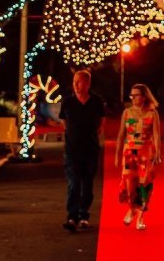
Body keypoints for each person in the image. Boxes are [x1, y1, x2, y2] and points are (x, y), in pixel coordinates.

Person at [59, 70, 105, 232]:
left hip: (91, 149)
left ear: (88, 83)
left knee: (87, 184)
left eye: (79, 82)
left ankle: (84, 215)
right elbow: (64, 123)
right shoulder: (67, 102)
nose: (76, 85)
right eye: (74, 82)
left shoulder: (96, 102)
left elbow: (101, 123)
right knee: (74, 183)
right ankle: (72, 217)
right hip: (72, 150)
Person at [115, 83, 162, 231]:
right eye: (132, 95)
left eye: (136, 95)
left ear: (144, 97)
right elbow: (121, 135)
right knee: (129, 184)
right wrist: (117, 155)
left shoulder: (152, 113)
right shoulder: (127, 113)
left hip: (146, 151)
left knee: (144, 185)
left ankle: (141, 216)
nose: (133, 98)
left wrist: (158, 152)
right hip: (129, 152)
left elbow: (156, 134)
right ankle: (131, 209)